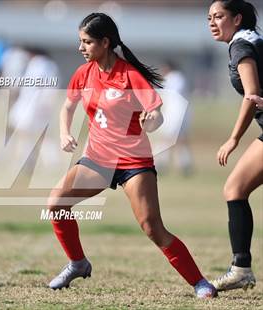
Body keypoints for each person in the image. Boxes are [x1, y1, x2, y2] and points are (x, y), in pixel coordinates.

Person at [47, 13, 217, 298]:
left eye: (87, 42)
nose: (81, 48)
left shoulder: (130, 75)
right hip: (97, 160)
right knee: (56, 204)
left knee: (152, 227)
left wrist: (149, 122)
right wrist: (65, 134)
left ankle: (200, 282)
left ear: (105, 42)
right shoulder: (83, 73)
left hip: (133, 162)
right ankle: (78, 263)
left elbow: (157, 115)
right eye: (80, 41)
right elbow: (67, 106)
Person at [207, 0, 262, 292]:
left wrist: (233, 139)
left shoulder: (241, 46)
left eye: (219, 16)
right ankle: (240, 268)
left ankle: (241, 269)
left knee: (234, 189)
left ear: (237, 18)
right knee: (235, 189)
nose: (213, 22)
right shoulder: (254, 40)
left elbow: (252, 96)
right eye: (209, 18)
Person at [157, 60, 193, 176]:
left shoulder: (174, 78)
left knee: (170, 138)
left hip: (176, 113)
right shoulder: (176, 78)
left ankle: (163, 163)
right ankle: (184, 164)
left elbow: (169, 94)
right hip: (177, 112)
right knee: (179, 139)